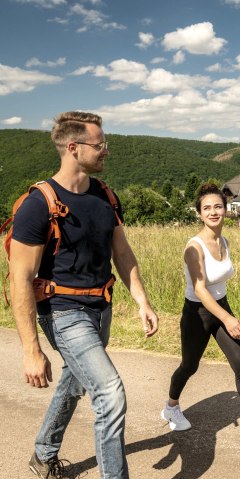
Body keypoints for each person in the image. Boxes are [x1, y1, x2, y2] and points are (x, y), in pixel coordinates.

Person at [9, 111, 159, 479]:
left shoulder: (105, 195)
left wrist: (142, 300)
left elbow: (121, 253)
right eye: (100, 144)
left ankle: (43, 455)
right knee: (109, 392)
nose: (106, 150)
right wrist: (31, 350)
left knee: (74, 382)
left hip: (100, 309)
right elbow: (20, 279)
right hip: (62, 312)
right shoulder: (38, 204)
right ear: (74, 148)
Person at [162, 183, 240, 441]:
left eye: (218, 206)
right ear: (199, 213)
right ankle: (171, 407)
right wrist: (227, 318)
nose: (213, 212)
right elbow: (201, 290)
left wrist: (226, 314)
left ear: (226, 210)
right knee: (189, 366)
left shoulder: (224, 241)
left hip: (221, 306)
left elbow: (218, 286)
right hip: (197, 313)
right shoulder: (193, 247)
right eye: (207, 208)